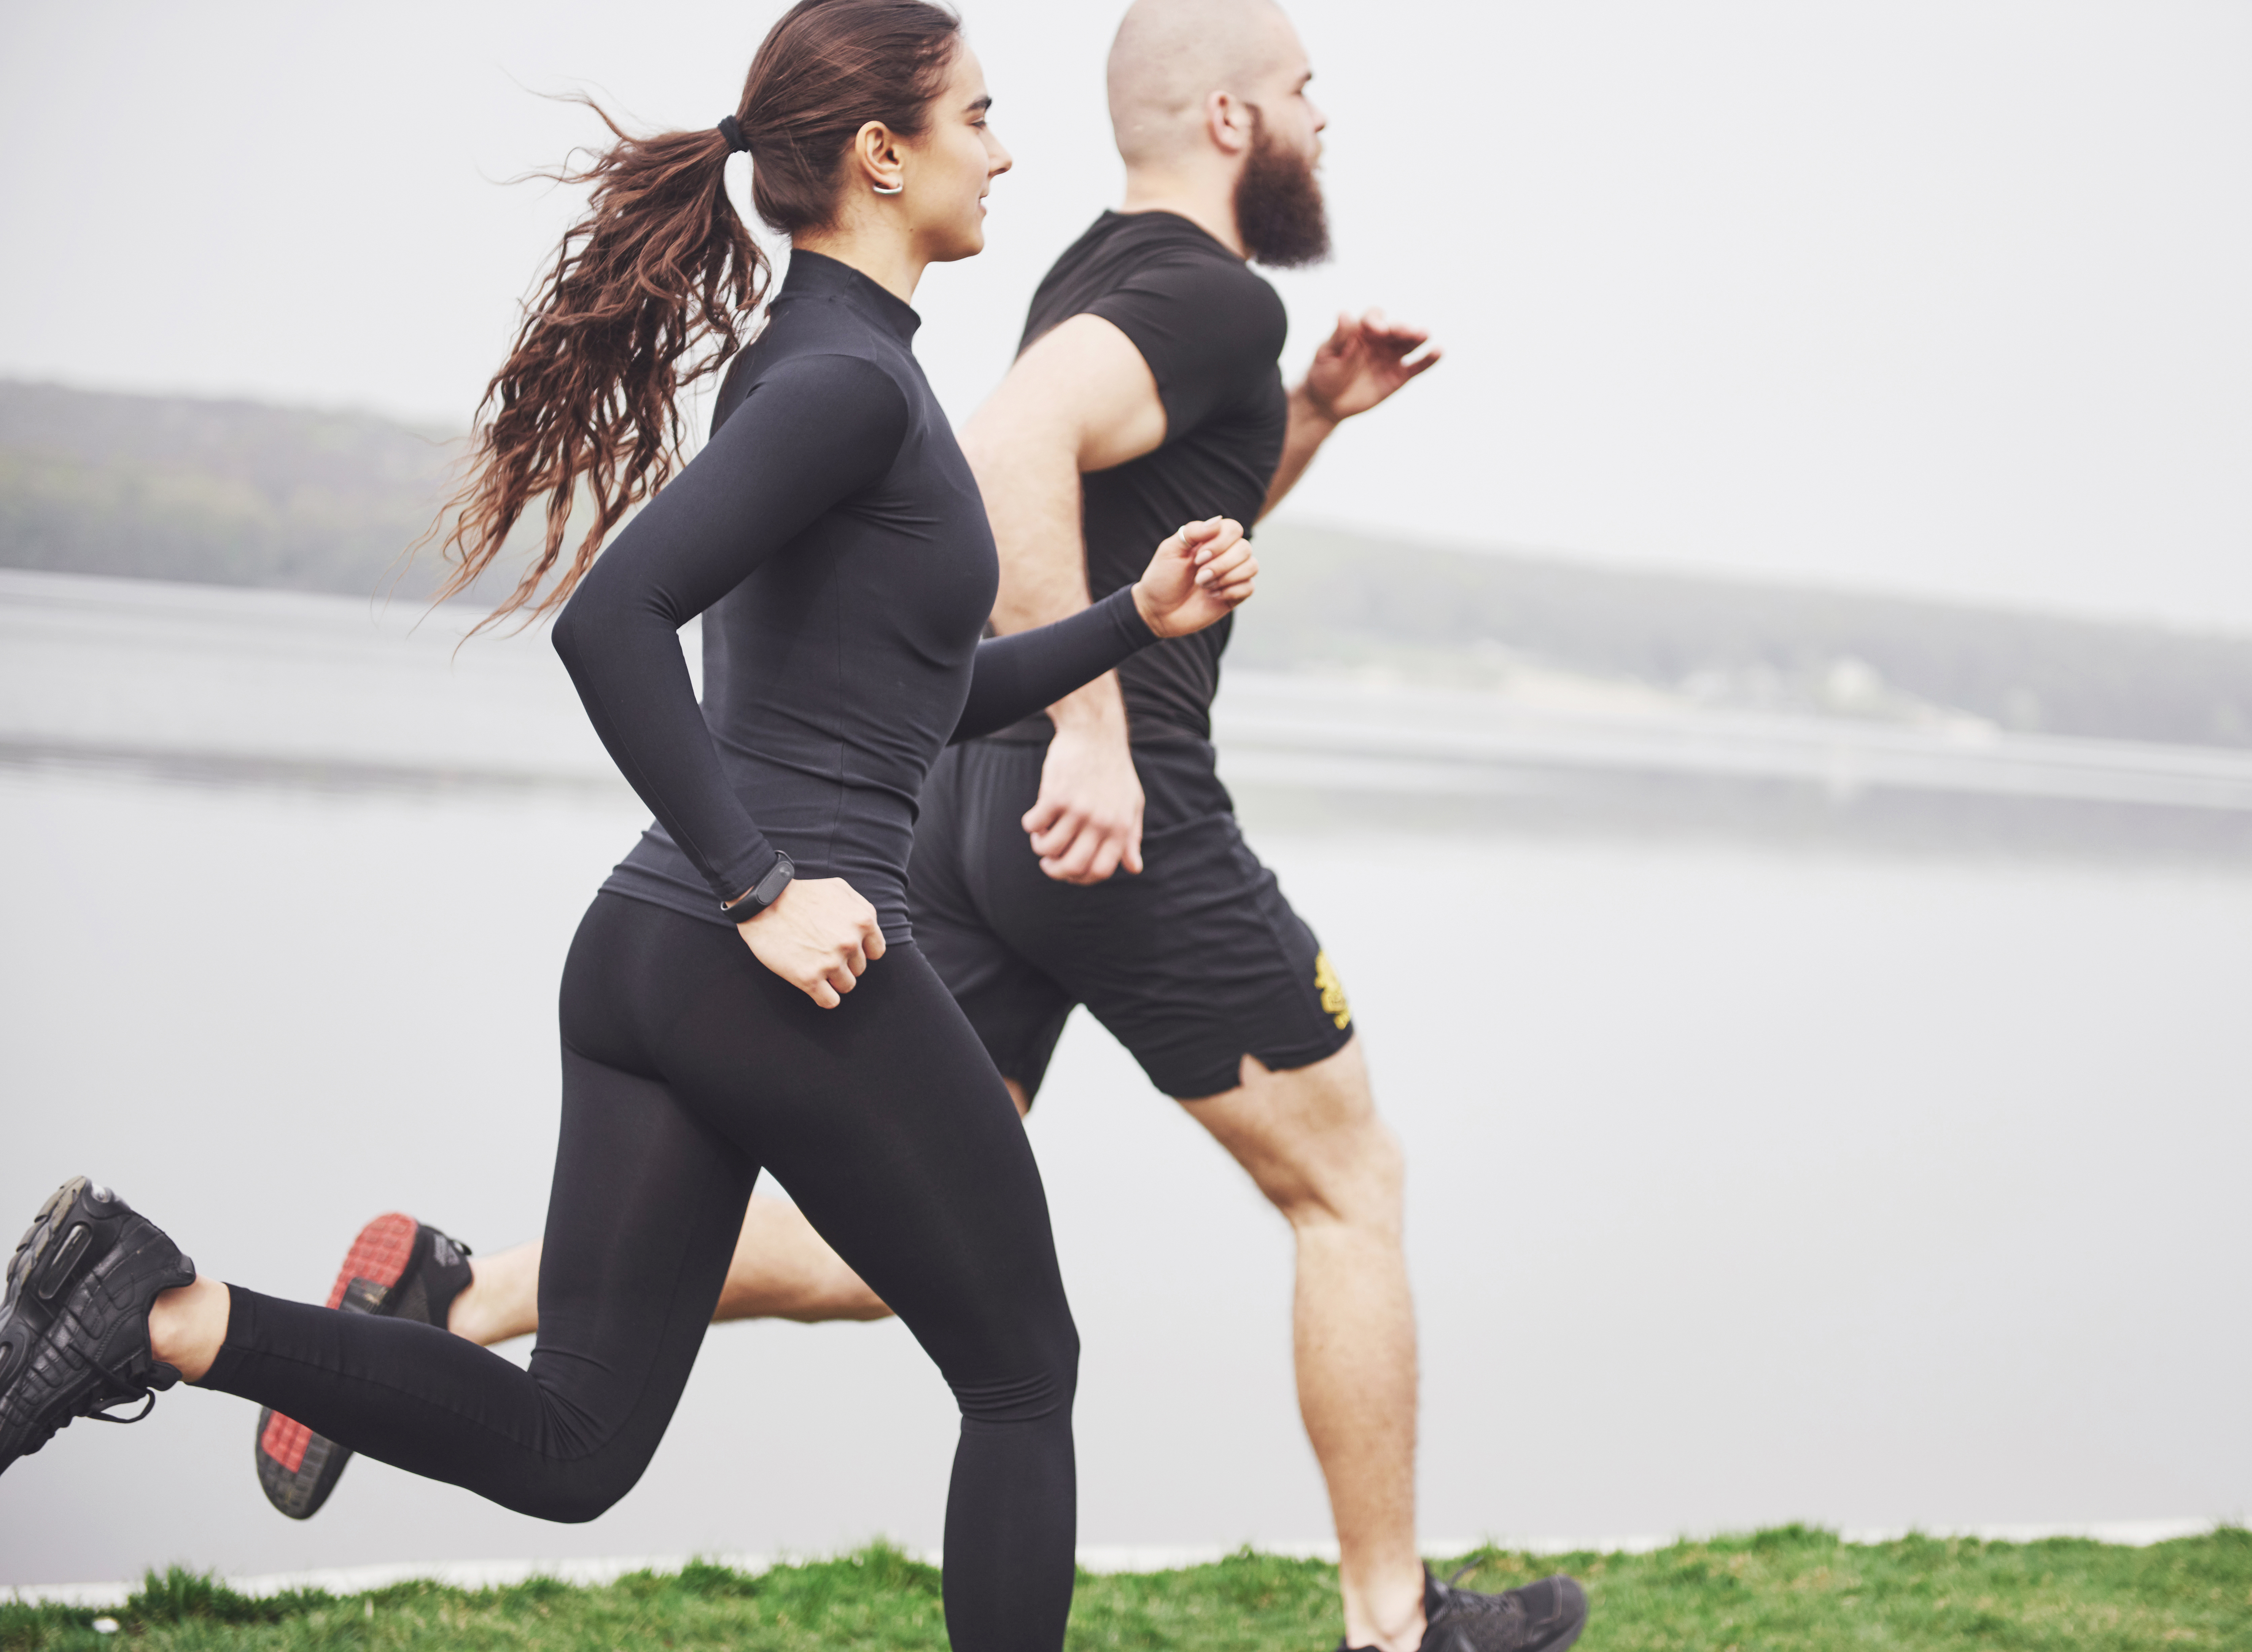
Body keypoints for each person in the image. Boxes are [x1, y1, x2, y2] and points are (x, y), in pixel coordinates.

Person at [244, 3, 1588, 1648]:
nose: (1006, 149)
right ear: (1232, 119)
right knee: (1320, 1197)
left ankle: (439, 1300)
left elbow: (953, 616)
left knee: (861, 1273)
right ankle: (1397, 1627)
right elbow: (973, 469)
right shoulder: (1182, 297)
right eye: (1305, 89)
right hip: (1069, 827)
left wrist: (1241, 492)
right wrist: (1070, 745)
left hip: (913, 831)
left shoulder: (1049, 288)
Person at [0, 5, 1266, 1648]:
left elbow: (920, 694)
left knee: (574, 1443)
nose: (1006, 150)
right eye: (980, 116)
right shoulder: (846, 390)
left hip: (650, 965)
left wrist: (1131, 619)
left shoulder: (830, 374)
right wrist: (766, 890)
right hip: (773, 956)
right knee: (1027, 1372)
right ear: (884, 155)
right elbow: (612, 623)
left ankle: (155, 1307)